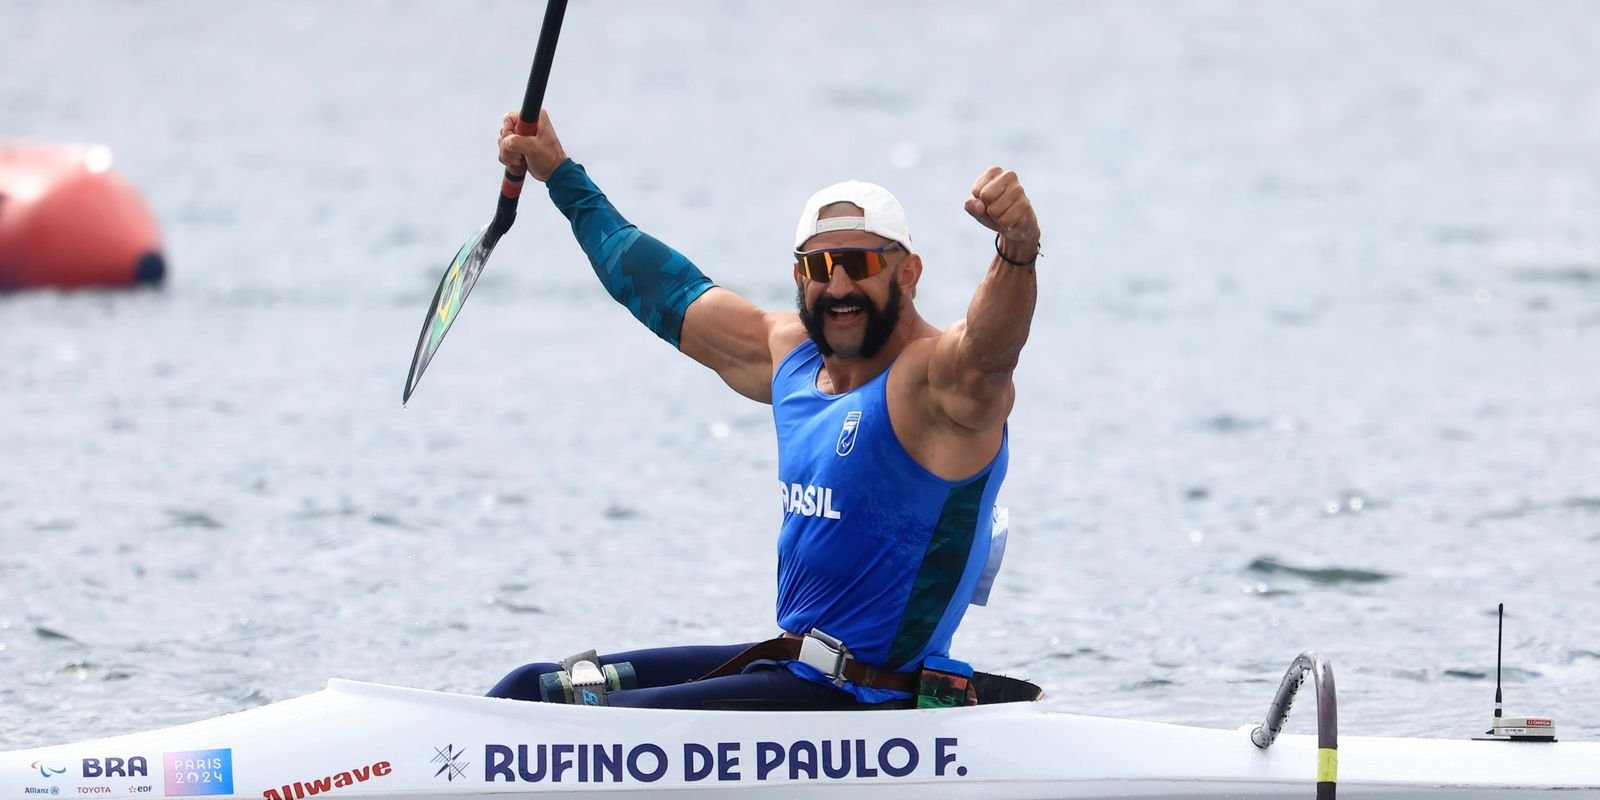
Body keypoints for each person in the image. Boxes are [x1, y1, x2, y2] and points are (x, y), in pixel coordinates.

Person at [486, 109, 1040, 710]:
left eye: (858, 265)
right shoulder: (791, 359)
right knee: (530, 688)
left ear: (908, 273)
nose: (838, 288)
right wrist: (560, 175)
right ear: (799, 277)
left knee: (585, 720)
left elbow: (990, 351)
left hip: (871, 705)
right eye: (819, 268)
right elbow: (664, 289)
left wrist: (1016, 250)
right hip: (795, 669)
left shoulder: (936, 384)